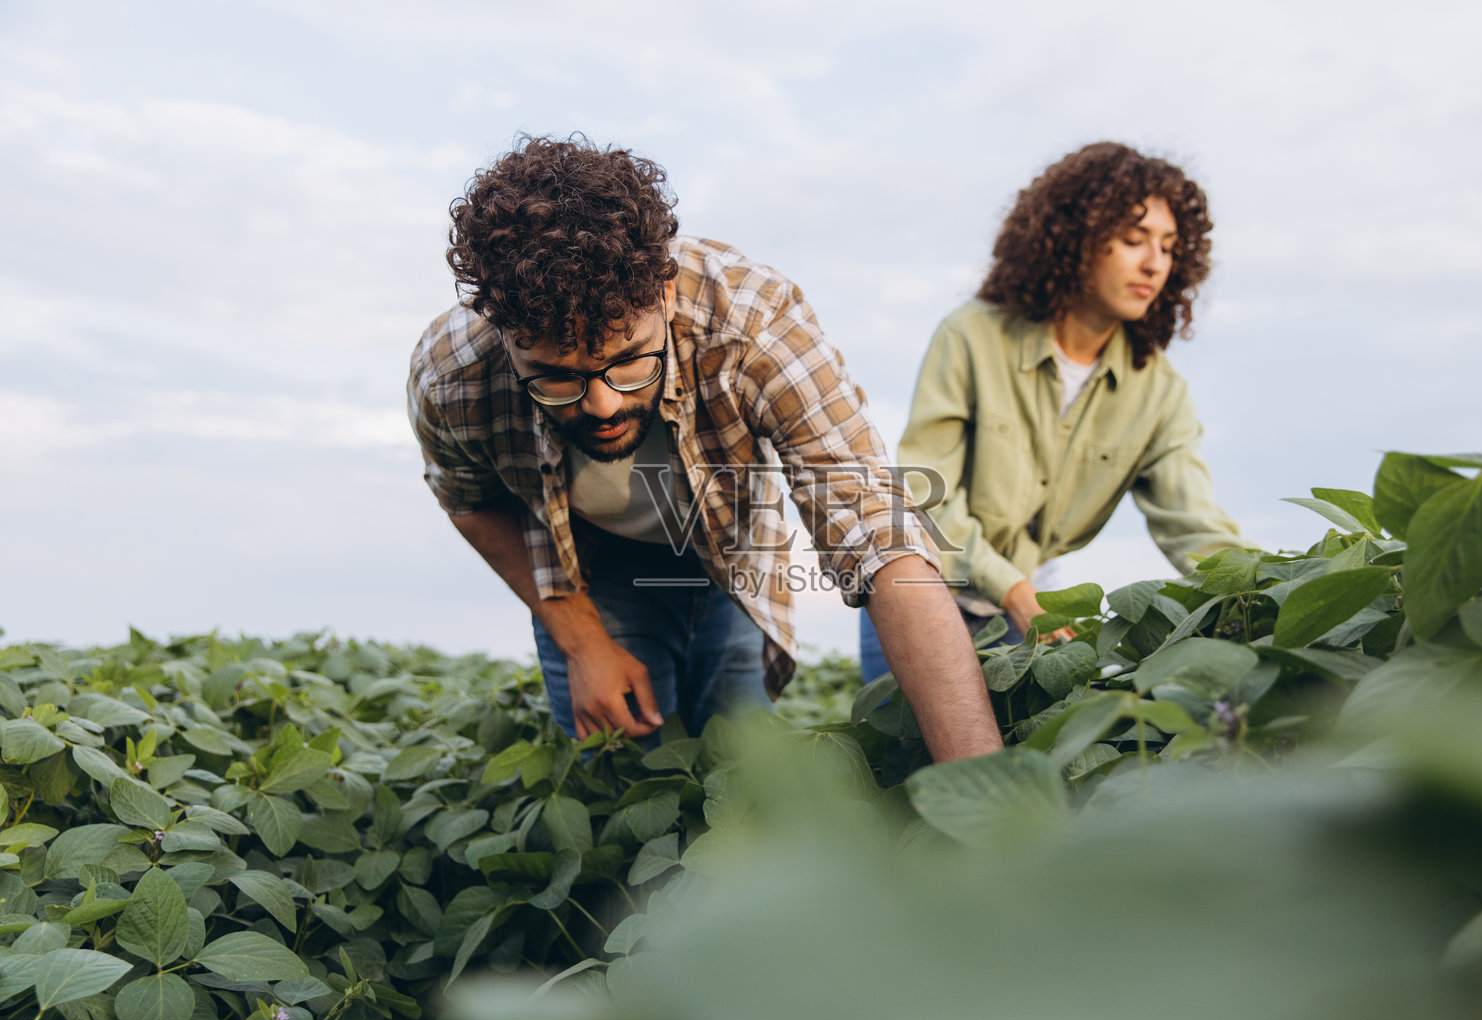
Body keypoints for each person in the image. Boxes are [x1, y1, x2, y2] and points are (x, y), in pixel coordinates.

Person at [407, 134, 1000, 762]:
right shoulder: (452, 374)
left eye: (629, 361)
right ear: (503, 333)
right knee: (620, 768)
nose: (602, 405)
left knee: (740, 768)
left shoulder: (752, 320)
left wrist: (980, 782)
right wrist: (582, 642)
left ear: (663, 296)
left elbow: (875, 529)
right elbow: (467, 499)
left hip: (730, 549)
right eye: (557, 377)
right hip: (586, 564)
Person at [860, 142, 1254, 682]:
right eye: (1133, 240)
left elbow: (1195, 526)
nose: (1154, 263)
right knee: (919, 739)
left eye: (1168, 247)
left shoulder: (1159, 393)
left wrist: (1283, 586)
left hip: (1026, 611)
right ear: (1075, 238)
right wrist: (1014, 590)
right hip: (921, 589)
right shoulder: (972, 337)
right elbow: (925, 496)